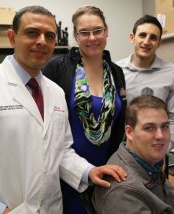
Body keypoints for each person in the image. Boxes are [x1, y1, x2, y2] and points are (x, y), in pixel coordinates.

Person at [0, 6, 127, 214]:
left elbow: (61, 151)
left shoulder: (55, 92)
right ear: (12, 38)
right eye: (32, 33)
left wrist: (88, 171)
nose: (41, 41)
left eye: (49, 36)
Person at [42, 5, 126, 214]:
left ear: (106, 32)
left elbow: (120, 124)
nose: (92, 38)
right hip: (64, 171)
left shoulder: (116, 72)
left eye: (97, 31)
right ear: (75, 36)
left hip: (106, 171)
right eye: (84, 33)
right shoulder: (57, 68)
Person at [92, 95, 174, 213]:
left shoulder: (147, 162)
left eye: (165, 126)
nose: (161, 136)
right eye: (149, 128)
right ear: (129, 132)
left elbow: (164, 196)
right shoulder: (122, 193)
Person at [116, 15, 174, 151]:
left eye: (153, 37)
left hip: (156, 153)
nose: (147, 41)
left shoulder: (173, 73)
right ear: (132, 38)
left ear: (159, 43)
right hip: (120, 151)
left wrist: (163, 149)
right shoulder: (115, 70)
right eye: (142, 35)